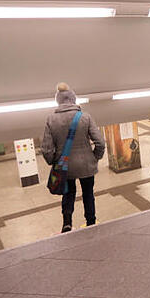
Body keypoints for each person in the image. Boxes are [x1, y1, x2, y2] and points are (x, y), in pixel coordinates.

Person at [41, 82, 106, 233]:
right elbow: (100, 142)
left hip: (65, 167)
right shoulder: (85, 117)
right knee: (88, 193)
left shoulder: (51, 120)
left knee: (68, 193)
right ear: (73, 99)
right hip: (86, 166)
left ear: (58, 100)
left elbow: (46, 149)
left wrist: (53, 161)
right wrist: (95, 157)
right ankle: (91, 221)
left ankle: (67, 223)